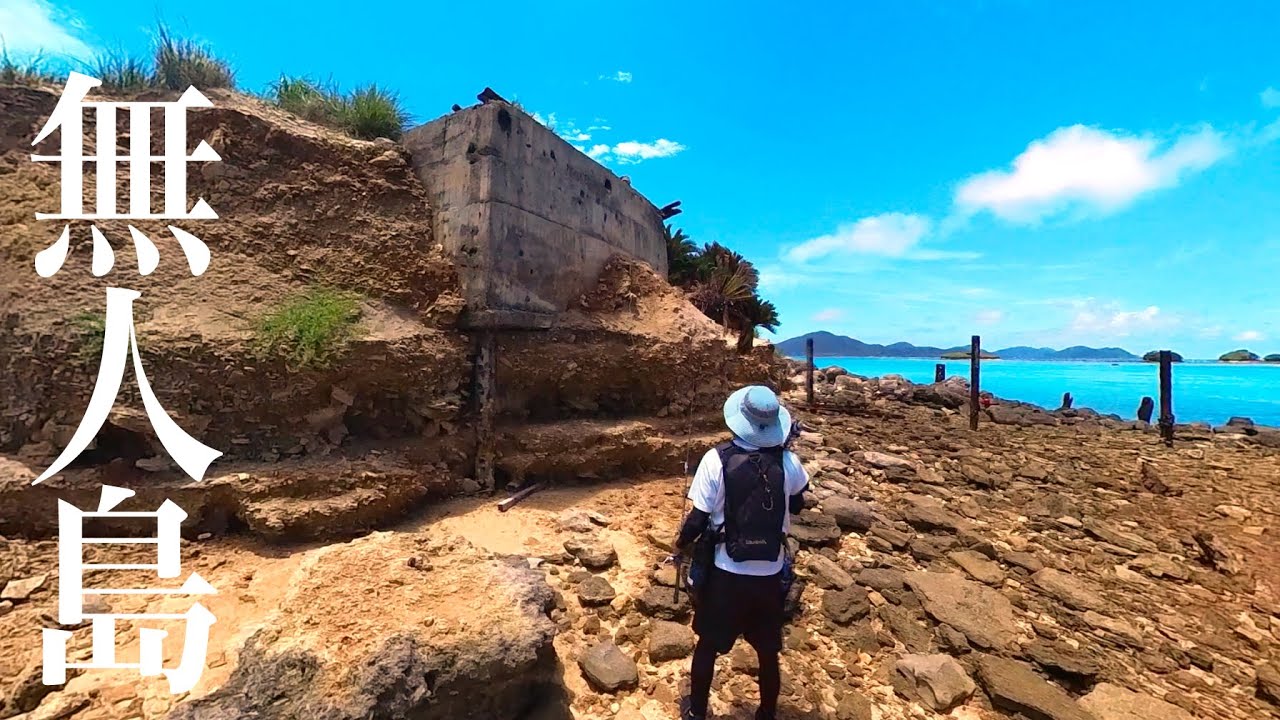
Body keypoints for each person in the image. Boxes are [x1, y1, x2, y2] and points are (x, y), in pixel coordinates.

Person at [670, 385, 809, 720]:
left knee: (707, 645)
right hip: (770, 575)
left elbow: (697, 520)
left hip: (726, 574)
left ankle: (697, 713)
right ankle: (766, 714)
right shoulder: (788, 461)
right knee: (767, 652)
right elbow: (799, 505)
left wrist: (679, 546)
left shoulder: (715, 459)